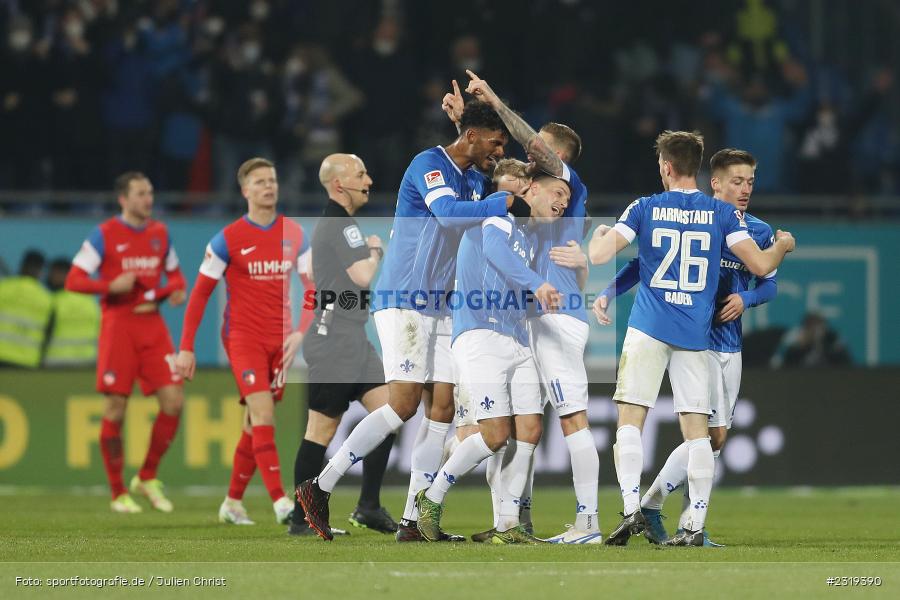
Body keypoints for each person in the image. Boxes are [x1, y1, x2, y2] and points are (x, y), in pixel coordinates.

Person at [298, 100, 529, 542]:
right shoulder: (429, 164)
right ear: (472, 137)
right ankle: (320, 486)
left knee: (442, 407)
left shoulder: (474, 178)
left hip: (441, 306)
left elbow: (502, 172)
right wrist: (501, 201)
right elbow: (446, 213)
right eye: (495, 143)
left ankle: (413, 521)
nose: (500, 151)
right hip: (404, 299)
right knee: (403, 404)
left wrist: (475, 129)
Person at [588, 131, 795, 546]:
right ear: (705, 174)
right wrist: (784, 245)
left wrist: (597, 237)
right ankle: (692, 524)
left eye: (749, 182)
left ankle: (633, 509)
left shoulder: (645, 206)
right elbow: (760, 264)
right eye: (738, 181)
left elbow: (600, 255)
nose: (745, 188)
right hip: (696, 333)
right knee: (699, 433)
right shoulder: (722, 217)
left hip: (651, 326)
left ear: (665, 166)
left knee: (632, 420)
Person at [455, 71, 600, 544]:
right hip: (534, 321)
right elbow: (501, 176)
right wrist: (464, 129)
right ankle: (514, 520)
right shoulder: (537, 202)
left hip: (557, 317)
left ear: (557, 158)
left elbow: (527, 150)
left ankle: (588, 522)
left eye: (540, 150)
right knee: (525, 426)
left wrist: (494, 102)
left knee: (571, 418)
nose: (530, 154)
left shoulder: (564, 186)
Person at [415, 172, 569, 544]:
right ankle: (432, 497)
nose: (563, 202)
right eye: (558, 192)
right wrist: (537, 284)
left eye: (567, 199)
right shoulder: (500, 216)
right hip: (481, 335)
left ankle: (507, 525)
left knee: (530, 430)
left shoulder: (530, 238)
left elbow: (513, 283)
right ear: (532, 190)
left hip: (517, 339)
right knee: (495, 435)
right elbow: (494, 252)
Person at [175, 157, 312, 526]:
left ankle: (232, 503)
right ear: (245, 190)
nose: (269, 186)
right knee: (263, 414)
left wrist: (300, 332)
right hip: (243, 338)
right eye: (260, 181)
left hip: (280, 343)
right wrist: (186, 347)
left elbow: (312, 288)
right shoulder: (227, 239)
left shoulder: (295, 234)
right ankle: (280, 501)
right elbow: (200, 294)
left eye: (272, 180)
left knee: (254, 423)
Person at [64, 172, 187, 513]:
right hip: (119, 326)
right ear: (123, 199)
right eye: (141, 193)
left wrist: (173, 291)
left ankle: (147, 475)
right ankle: (118, 492)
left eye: (150, 192)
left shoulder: (160, 233)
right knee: (115, 408)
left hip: (153, 327)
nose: (148, 199)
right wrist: (110, 286)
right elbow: (74, 280)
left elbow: (176, 277)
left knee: (174, 401)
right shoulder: (104, 234)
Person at [289, 153, 397, 537]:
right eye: (360, 174)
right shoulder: (340, 223)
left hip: (352, 337)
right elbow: (362, 275)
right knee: (320, 431)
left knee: (390, 414)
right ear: (339, 184)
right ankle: (301, 519)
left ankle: (368, 506)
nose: (368, 180)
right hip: (333, 340)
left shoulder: (335, 223)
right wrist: (375, 249)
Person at [44, 257, 100, 367]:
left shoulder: (54, 301)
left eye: (53, 273)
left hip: (56, 362)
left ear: (64, 275)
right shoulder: (91, 302)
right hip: (87, 362)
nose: (49, 277)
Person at [0, 250, 52, 368]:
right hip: (27, 361)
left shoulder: (3, 288)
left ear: (22, 265)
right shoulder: (47, 299)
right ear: (40, 271)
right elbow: (48, 334)